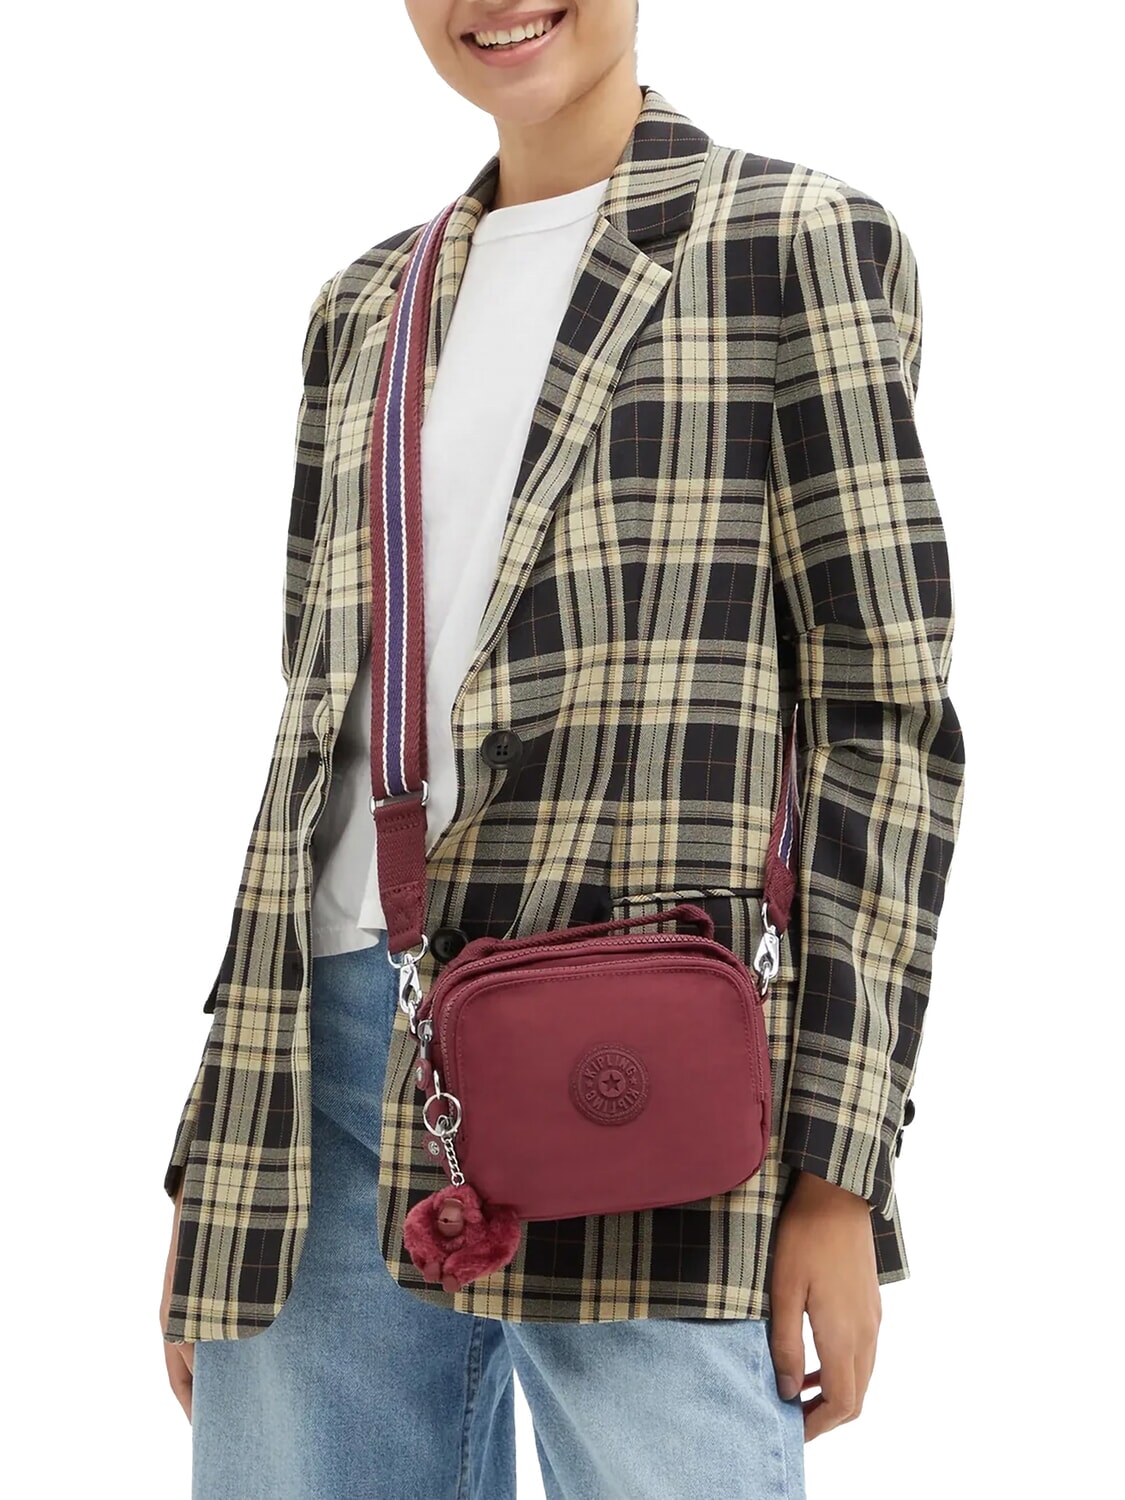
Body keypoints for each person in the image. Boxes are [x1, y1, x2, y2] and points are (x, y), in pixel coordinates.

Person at [160, 3, 965, 1496]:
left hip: (631, 1058)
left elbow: (881, 724)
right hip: (322, 1057)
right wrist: (219, 1156)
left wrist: (840, 1172)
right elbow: (313, 737)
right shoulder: (363, 309)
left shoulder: (790, 242)